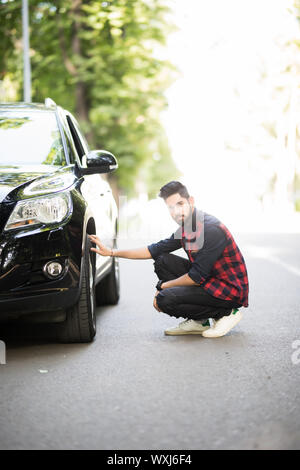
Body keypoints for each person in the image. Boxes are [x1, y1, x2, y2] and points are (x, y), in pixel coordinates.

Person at [88, 181, 249, 338]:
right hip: (210, 281)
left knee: (165, 299)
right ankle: (199, 321)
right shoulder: (188, 226)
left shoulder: (211, 229)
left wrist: (163, 286)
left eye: (180, 204)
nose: (176, 211)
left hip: (228, 291)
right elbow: (154, 249)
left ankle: (227, 313)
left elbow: (196, 277)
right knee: (162, 261)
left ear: (190, 201)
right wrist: (111, 252)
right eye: (171, 207)